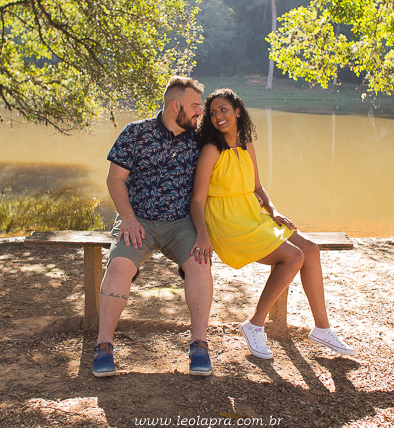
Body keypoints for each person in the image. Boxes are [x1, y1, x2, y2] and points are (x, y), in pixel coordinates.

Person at [190, 88, 356, 359]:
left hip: (253, 216)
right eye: (213, 112)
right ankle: (255, 324)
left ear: (237, 112)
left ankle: (322, 328)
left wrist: (274, 210)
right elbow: (197, 200)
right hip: (227, 222)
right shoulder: (211, 150)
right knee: (294, 257)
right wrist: (202, 235)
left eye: (224, 109)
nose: (218, 116)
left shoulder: (245, 143)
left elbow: (257, 186)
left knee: (311, 250)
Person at [93, 76, 214, 377]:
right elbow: (115, 179)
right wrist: (129, 218)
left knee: (200, 264)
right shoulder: (135, 133)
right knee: (119, 266)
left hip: (180, 224)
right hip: (138, 220)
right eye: (196, 106)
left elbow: (236, 144)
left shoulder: (200, 140)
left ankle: (199, 344)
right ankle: (103, 345)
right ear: (176, 106)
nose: (201, 112)